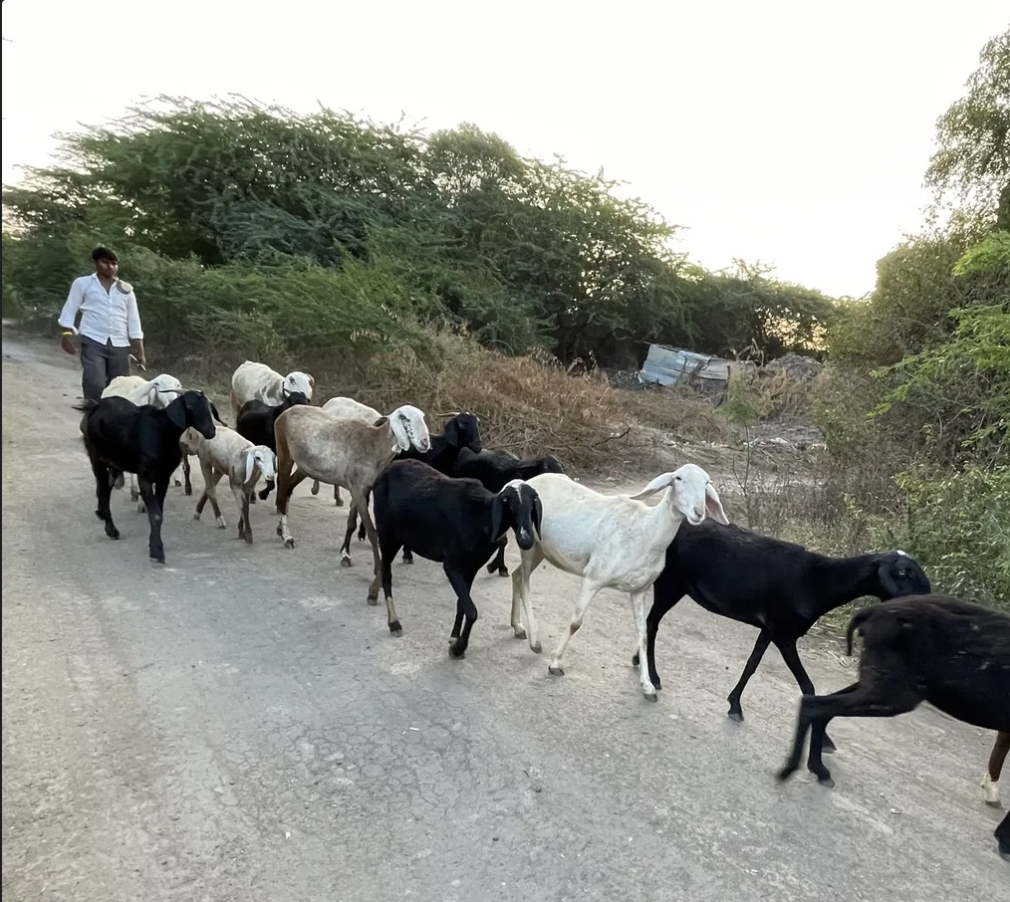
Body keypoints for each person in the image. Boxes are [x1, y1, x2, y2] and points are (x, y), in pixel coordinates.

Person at [58, 246, 146, 402]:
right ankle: (92, 416)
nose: (110, 267)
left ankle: (115, 421)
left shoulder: (126, 290)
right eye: (105, 262)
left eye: (114, 263)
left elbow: (134, 320)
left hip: (120, 344)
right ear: (96, 263)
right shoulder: (83, 283)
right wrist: (67, 335)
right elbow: (70, 309)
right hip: (93, 339)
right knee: (95, 382)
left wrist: (140, 351)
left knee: (120, 387)